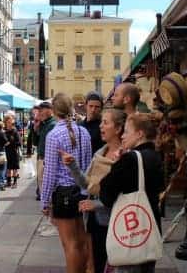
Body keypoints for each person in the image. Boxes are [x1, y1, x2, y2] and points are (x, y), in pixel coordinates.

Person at [62, 108, 126, 273]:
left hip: (116, 223)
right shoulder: (100, 153)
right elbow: (86, 184)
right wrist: (72, 165)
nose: (100, 127)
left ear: (118, 129)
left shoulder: (126, 156)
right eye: (101, 122)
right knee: (98, 265)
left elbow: (121, 195)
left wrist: (96, 204)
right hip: (95, 222)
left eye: (105, 123)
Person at [100, 113, 164, 272]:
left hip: (130, 232)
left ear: (140, 134)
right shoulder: (155, 157)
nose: (123, 136)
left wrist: (116, 164)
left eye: (127, 131)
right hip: (149, 228)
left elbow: (106, 194)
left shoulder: (130, 160)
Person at [41, 93, 92, 273]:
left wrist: (45, 201)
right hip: (82, 191)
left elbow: (50, 172)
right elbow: (88, 165)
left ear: (55, 111)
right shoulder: (83, 132)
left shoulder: (54, 135)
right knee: (82, 242)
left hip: (64, 194)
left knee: (69, 244)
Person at [36, 101, 57, 201]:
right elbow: (36, 143)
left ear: (49, 110)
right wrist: (36, 128)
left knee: (45, 186)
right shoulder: (43, 124)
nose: (39, 113)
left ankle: (47, 206)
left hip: (46, 160)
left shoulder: (52, 124)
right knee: (41, 185)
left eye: (41, 110)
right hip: (41, 158)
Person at [4, 115, 22, 189]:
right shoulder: (4, 131)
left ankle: (15, 182)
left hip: (14, 152)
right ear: (5, 122)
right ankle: (8, 182)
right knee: (8, 168)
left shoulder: (15, 131)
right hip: (6, 152)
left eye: (11, 122)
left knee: (14, 168)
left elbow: (19, 143)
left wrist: (11, 142)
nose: (10, 123)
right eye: (8, 122)